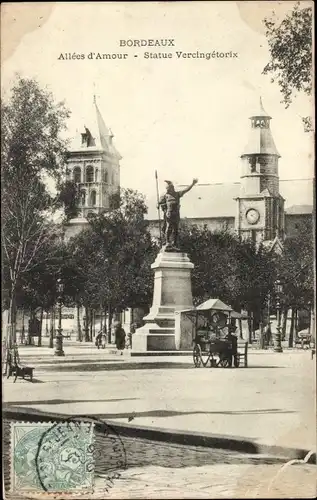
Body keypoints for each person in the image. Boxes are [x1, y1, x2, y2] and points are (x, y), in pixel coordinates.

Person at [158, 178, 198, 248]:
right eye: (166, 188)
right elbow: (159, 202)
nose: (167, 190)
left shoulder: (177, 194)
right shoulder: (165, 196)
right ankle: (167, 242)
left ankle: (175, 243)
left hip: (176, 214)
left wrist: (192, 184)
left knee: (176, 229)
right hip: (169, 214)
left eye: (168, 188)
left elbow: (186, 190)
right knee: (169, 227)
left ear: (171, 188)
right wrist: (157, 205)